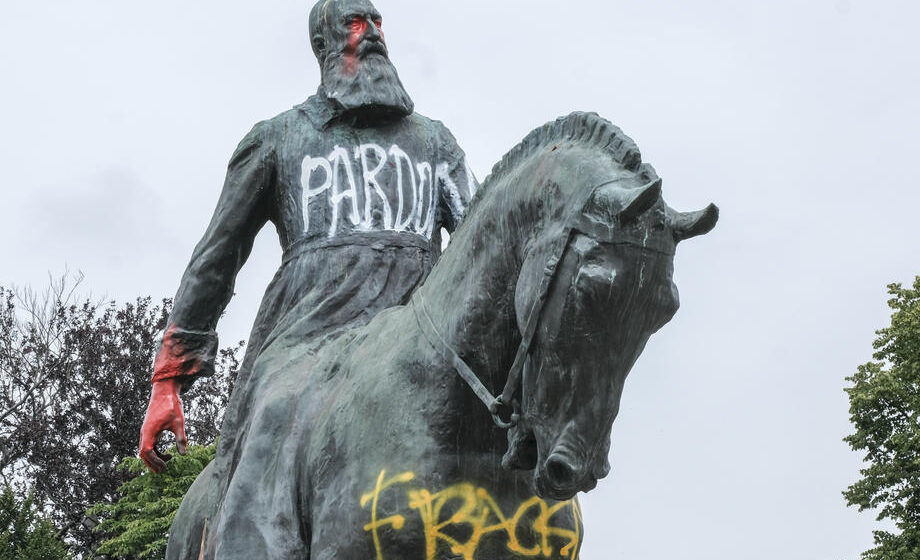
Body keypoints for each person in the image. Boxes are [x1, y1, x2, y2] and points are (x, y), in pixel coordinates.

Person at [138, 0, 477, 556]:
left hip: (419, 338)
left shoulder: (435, 143)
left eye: (377, 21)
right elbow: (217, 256)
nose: (372, 33)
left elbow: (479, 241)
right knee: (276, 414)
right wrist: (168, 379)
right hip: (309, 343)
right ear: (323, 44)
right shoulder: (277, 139)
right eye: (354, 23)